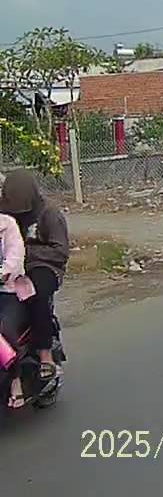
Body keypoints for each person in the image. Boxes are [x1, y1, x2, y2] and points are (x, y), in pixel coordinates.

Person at [0, 170, 69, 393]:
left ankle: (45, 355)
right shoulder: (4, 212)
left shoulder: (49, 214)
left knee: (35, 294)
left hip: (43, 266)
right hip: (10, 267)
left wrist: (24, 252)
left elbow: (60, 251)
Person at [0, 208, 28, 407]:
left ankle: (15, 380)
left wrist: (3, 273)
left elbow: (14, 261)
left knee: (3, 328)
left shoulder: (7, 224)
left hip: (9, 291)